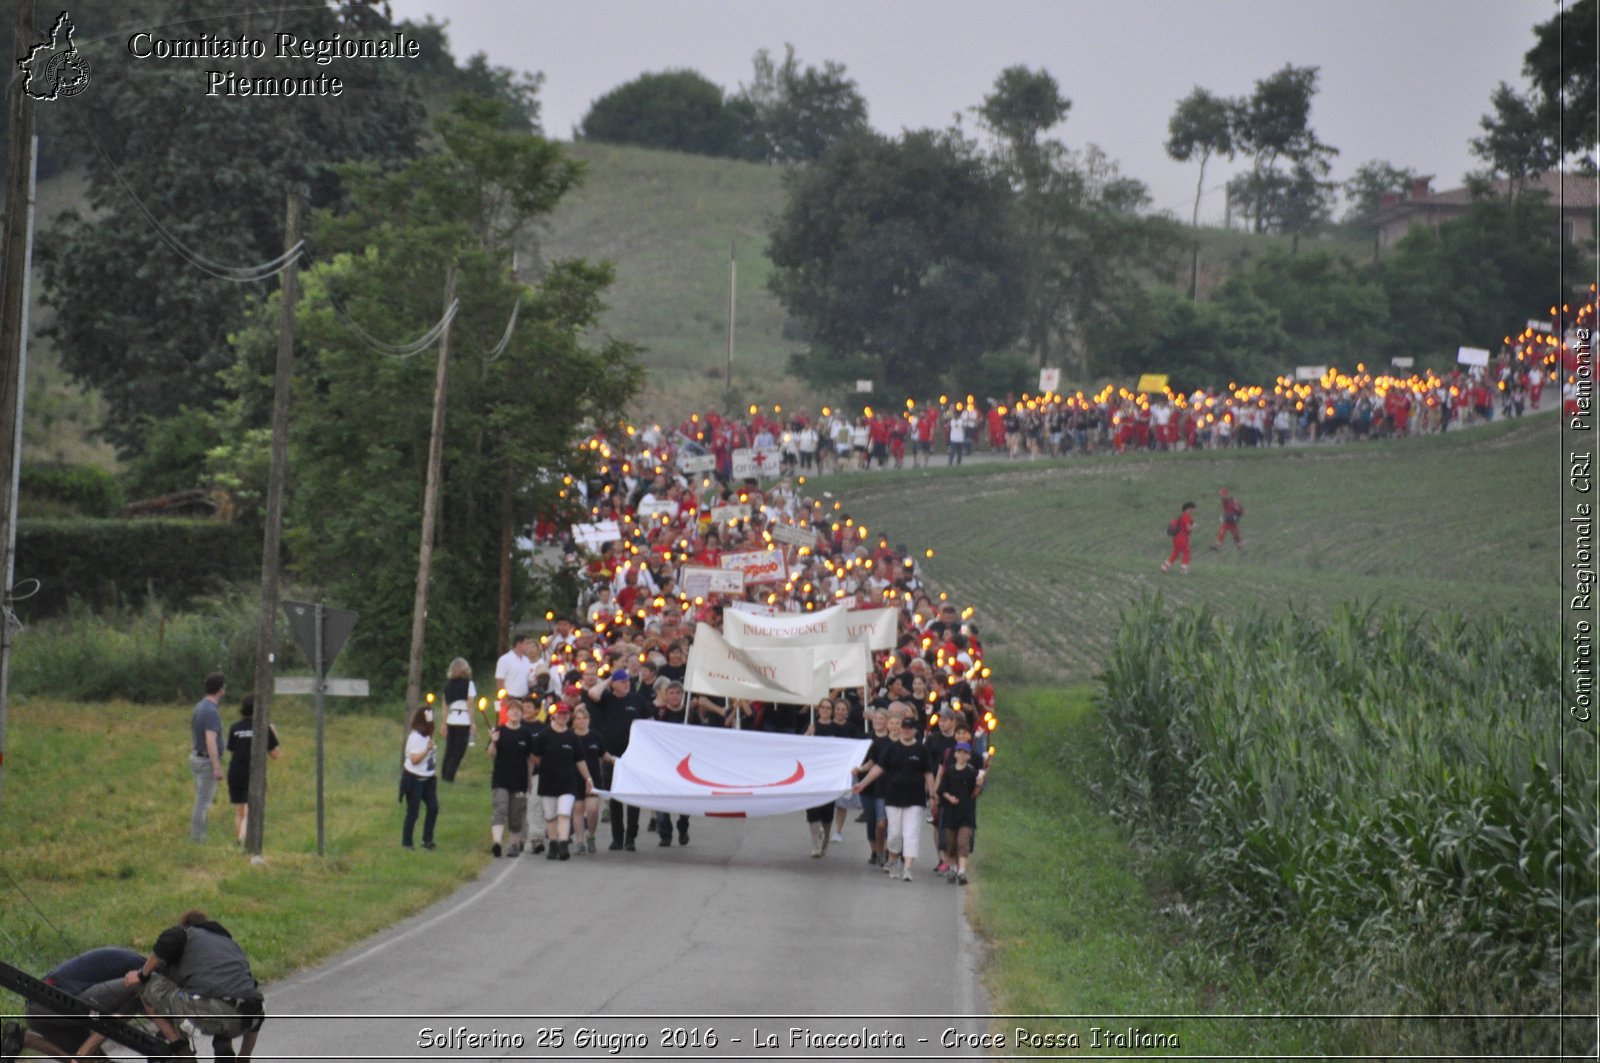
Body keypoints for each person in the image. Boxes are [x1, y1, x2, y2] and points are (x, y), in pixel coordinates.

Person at [125, 909, 264, 1062]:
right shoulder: (229, 944)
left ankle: (182, 1050)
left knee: (145, 986)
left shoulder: (186, 934)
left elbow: (171, 939)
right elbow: (254, 998)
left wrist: (141, 975)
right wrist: (244, 1057)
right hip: (251, 1017)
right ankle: (223, 1045)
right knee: (223, 996)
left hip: (216, 1013)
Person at [2, 946, 145, 1062]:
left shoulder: (133, 960)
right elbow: (124, 1011)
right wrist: (87, 1048)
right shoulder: (146, 974)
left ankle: (28, 1039)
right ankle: (84, 1052)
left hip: (36, 1009)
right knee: (143, 989)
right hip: (58, 1003)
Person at [852, 707, 934, 881]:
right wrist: (862, 783)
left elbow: (928, 774)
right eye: (903, 727)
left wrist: (932, 796)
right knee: (895, 832)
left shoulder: (921, 750)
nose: (906, 730)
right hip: (893, 797)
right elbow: (877, 769)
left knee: (910, 832)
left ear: (914, 730)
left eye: (909, 728)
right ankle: (893, 859)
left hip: (915, 798)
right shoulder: (891, 748)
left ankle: (908, 867)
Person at [586, 669, 650, 850]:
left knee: (632, 797)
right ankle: (617, 837)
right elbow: (592, 693)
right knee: (614, 797)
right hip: (611, 756)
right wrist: (608, 679)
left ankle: (631, 837)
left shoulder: (637, 700)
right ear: (614, 684)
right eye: (621, 681)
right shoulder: (607, 699)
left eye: (627, 681)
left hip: (633, 755)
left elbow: (649, 721)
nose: (626, 684)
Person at [528, 701, 595, 860]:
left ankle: (563, 845)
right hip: (548, 781)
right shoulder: (544, 735)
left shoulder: (572, 737)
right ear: (554, 715)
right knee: (550, 816)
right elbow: (534, 757)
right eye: (560, 714)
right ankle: (553, 844)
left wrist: (588, 778)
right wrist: (534, 775)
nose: (562, 717)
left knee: (564, 814)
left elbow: (580, 760)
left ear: (568, 717)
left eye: (565, 714)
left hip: (567, 782)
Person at [225, 695, 281, 846]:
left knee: (239, 812)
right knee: (250, 812)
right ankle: (241, 842)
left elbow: (232, 750)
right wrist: (273, 733)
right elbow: (275, 754)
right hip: (253, 773)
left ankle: (239, 841)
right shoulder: (264, 728)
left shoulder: (235, 727)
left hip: (235, 772)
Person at [486, 700, 534, 857]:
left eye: (517, 710)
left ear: (521, 714)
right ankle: (497, 843)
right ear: (506, 713)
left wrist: (529, 780)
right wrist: (493, 741)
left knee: (515, 814)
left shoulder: (526, 734)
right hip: (501, 779)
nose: (514, 713)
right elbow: (491, 754)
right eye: (511, 710)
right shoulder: (500, 731)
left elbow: (530, 760)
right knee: (501, 808)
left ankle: (514, 844)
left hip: (519, 780)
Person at [936, 742, 980, 884]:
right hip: (951, 813)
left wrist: (979, 783)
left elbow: (975, 793)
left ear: (968, 756)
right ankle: (953, 868)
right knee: (951, 844)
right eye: (959, 752)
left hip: (966, 814)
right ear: (955, 754)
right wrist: (950, 798)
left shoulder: (972, 773)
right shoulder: (949, 771)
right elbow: (942, 789)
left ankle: (962, 871)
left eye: (965, 753)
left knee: (963, 842)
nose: (961, 755)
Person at [190, 672, 226, 842]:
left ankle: (198, 833)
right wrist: (216, 766)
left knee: (200, 798)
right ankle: (197, 836)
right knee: (203, 802)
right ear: (220, 689)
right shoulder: (211, 711)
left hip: (196, 757)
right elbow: (210, 740)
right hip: (206, 761)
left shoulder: (199, 707)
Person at [400, 705, 439, 851]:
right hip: (414, 779)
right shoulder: (414, 737)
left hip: (428, 779)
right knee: (413, 811)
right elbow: (415, 760)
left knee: (433, 808)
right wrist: (427, 750)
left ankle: (427, 840)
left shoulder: (429, 736)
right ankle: (407, 842)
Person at [570, 702, 606, 855]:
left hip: (593, 779)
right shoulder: (570, 737)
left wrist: (618, 761)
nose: (582, 721)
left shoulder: (595, 736)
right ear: (574, 721)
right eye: (578, 718)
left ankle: (591, 836)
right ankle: (579, 841)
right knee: (578, 809)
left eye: (584, 718)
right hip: (574, 778)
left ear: (589, 720)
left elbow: (604, 754)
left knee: (592, 810)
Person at [440, 657, 477, 783]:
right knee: (459, 750)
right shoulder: (469, 684)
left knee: (449, 749)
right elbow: (470, 704)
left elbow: (444, 705)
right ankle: (449, 776)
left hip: (451, 719)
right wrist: (473, 723)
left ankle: (444, 773)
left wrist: (443, 723)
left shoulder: (448, 685)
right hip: (464, 719)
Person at [1161, 501, 1197, 574]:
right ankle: (1183, 569)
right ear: (1189, 508)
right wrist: (1194, 526)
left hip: (1177, 536)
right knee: (1186, 551)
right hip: (1182, 536)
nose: (1193, 511)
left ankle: (1165, 566)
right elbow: (1188, 528)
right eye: (1193, 509)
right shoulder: (1186, 516)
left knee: (1176, 552)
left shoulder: (1182, 515)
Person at [1212, 487, 1244, 552]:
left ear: (1226, 494)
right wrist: (1223, 516)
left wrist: (1238, 510)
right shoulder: (1224, 501)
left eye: (1222, 495)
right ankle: (1217, 545)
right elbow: (1226, 509)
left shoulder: (1233, 501)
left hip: (1232, 520)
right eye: (1220, 495)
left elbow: (1240, 510)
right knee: (1222, 531)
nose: (1221, 496)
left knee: (1235, 535)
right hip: (1227, 519)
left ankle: (1240, 547)